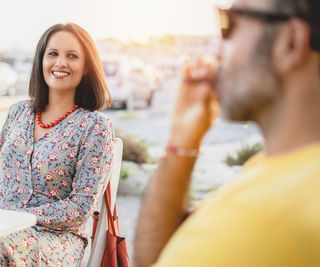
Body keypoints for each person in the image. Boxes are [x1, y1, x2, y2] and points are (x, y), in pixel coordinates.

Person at [134, 0, 320, 266]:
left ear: (290, 42)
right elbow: (163, 255)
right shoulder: (287, 171)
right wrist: (182, 141)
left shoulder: (255, 221)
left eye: (228, 25)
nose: (217, 51)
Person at [0, 23, 114, 267]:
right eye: (53, 54)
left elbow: (80, 208)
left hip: (54, 240)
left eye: (72, 56)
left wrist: (16, 219)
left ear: (87, 66)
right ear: (41, 60)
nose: (60, 63)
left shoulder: (95, 126)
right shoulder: (18, 112)